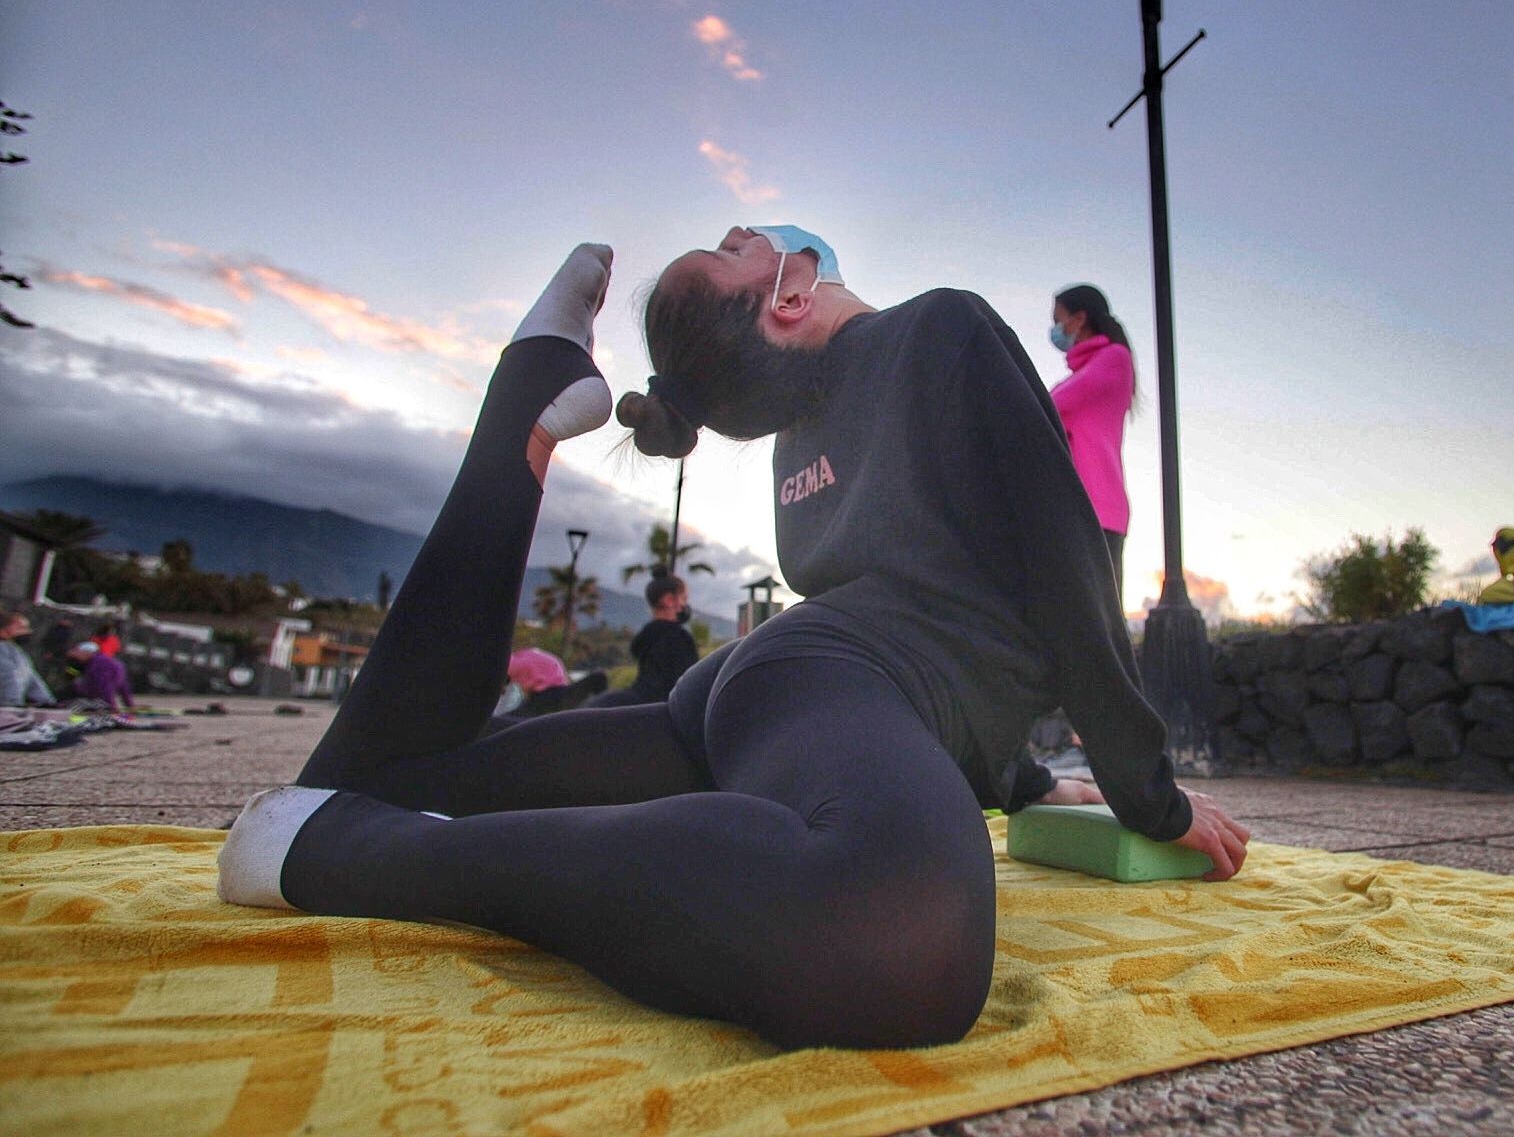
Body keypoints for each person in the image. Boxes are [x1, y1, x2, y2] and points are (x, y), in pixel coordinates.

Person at [218, 235, 1247, 1051]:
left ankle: (526, 403)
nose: (748, 229)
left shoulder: (803, 442)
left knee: (376, 771)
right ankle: (372, 855)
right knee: (897, 927)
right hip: (821, 685)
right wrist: (1147, 793)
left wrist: (1022, 781)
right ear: (788, 297)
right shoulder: (943, 328)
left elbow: (926, 662)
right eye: (738, 244)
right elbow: (1065, 576)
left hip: (761, 700)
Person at [1048, 284, 1135, 596]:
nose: (1055, 330)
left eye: (1058, 320)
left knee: (1098, 624)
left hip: (1097, 509)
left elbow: (1049, 408)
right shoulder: (1080, 374)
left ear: (1079, 319)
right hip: (1074, 509)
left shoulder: (1114, 359)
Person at [625, 572, 699, 702]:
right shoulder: (680, 638)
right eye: (684, 599)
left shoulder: (644, 637)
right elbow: (690, 686)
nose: (685, 605)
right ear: (669, 600)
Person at [1, 610, 57, 706]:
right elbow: (9, 677)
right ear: (3, 630)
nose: (28, 632)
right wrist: (12, 706)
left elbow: (32, 679)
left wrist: (48, 703)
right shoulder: (5, 650)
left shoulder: (17, 652)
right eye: (21, 628)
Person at [70, 640, 135, 709]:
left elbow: (105, 686)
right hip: (108, 686)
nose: (76, 655)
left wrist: (110, 705)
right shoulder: (97, 661)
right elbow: (123, 686)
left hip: (103, 694)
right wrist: (129, 704)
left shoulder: (99, 664)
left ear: (87, 652)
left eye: (78, 652)